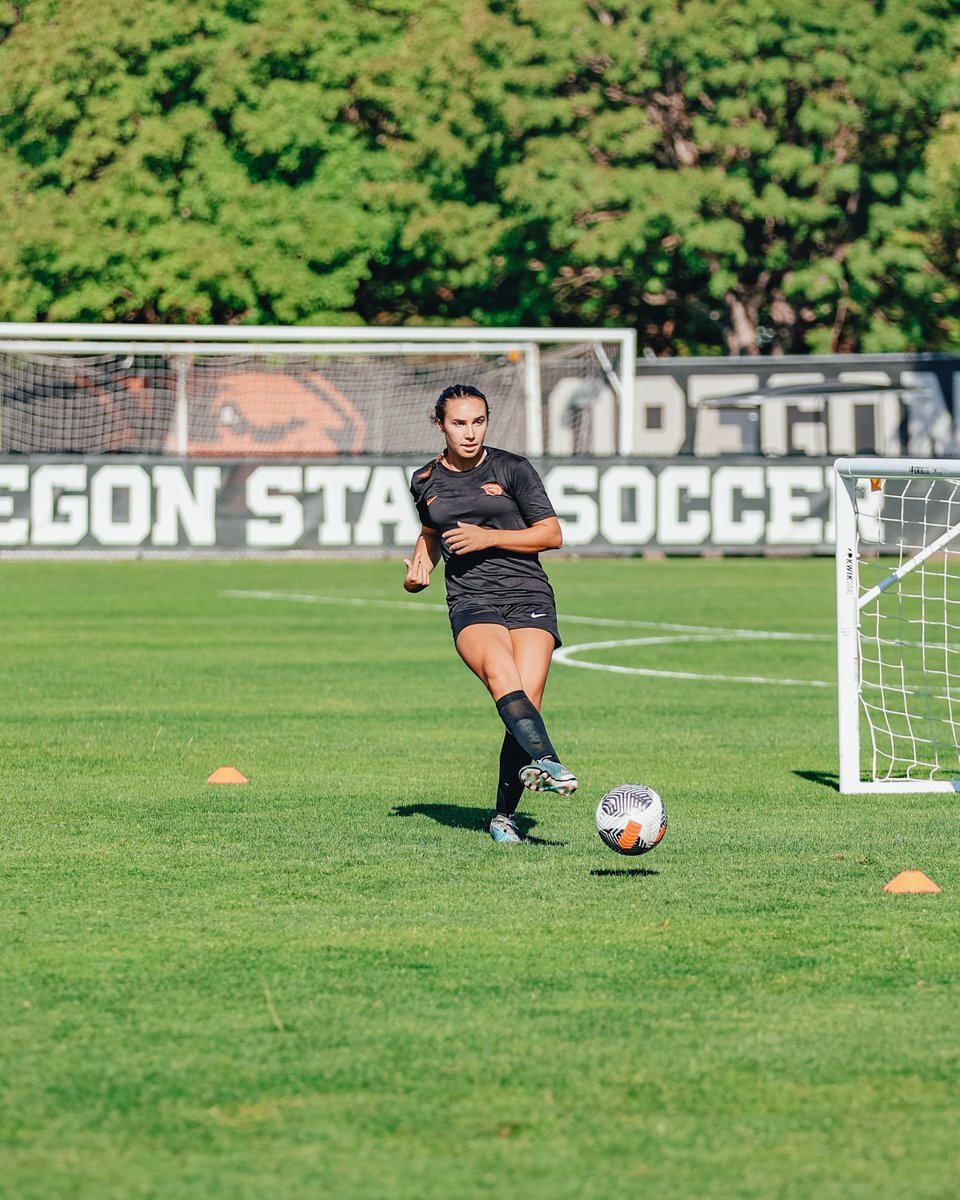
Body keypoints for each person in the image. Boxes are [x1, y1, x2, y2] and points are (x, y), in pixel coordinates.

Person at [402, 383, 578, 844]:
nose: (470, 432)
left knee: (526, 705)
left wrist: (489, 537)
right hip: (471, 599)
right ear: (439, 424)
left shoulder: (513, 469)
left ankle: (503, 817)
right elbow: (431, 534)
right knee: (503, 676)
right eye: (459, 423)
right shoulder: (424, 479)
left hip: (529, 595)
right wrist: (419, 569)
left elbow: (551, 534)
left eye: (478, 422)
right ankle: (550, 762)